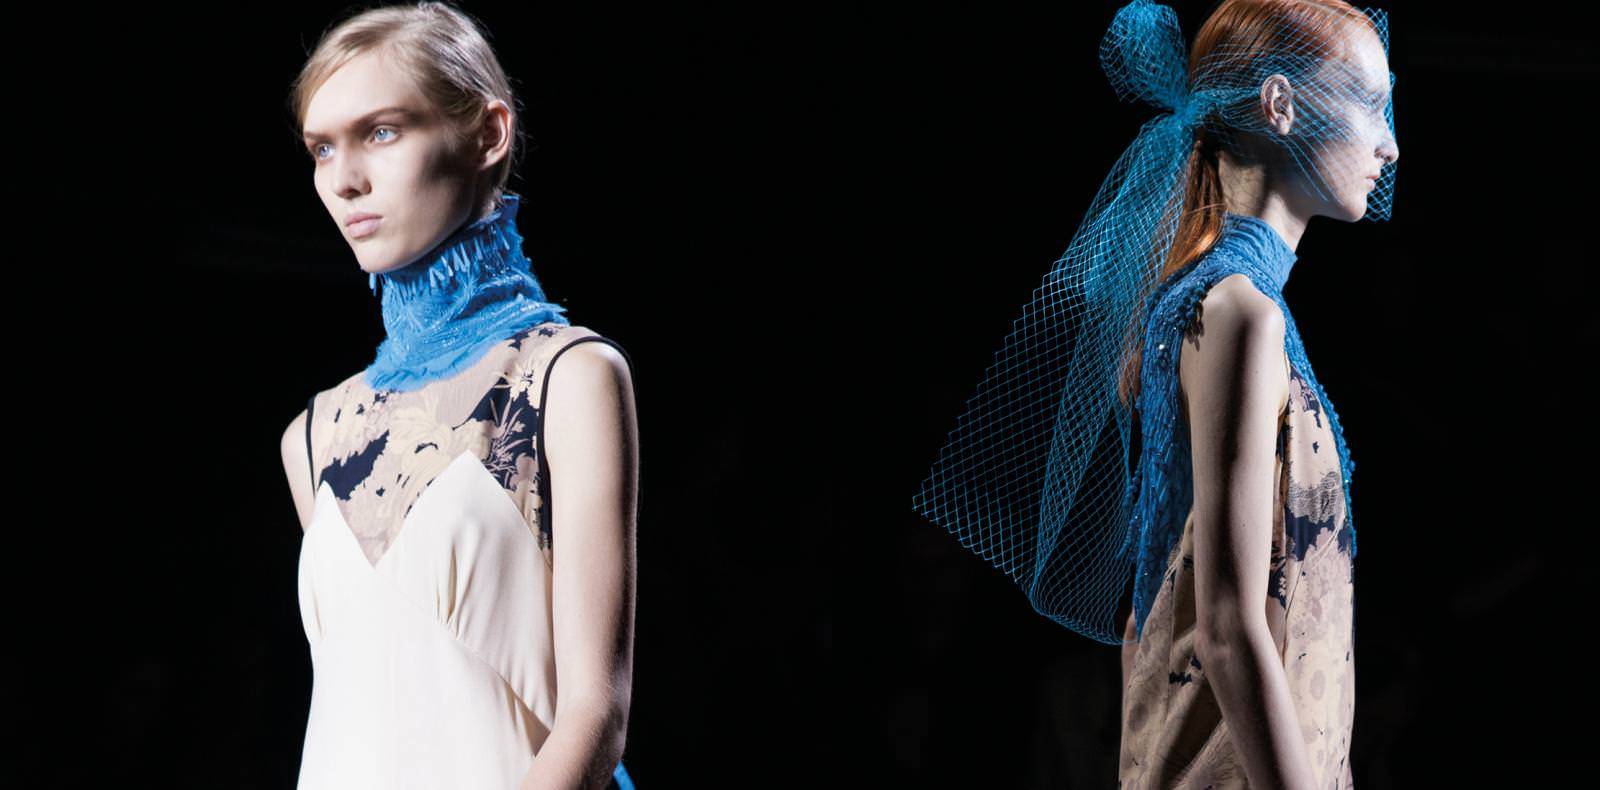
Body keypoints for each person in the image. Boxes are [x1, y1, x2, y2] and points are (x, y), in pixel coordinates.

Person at [911, 1, 1398, 787]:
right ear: (1280, 104)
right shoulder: (1237, 313)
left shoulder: (1215, 304)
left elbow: (1154, 606)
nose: (1389, 143)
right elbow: (1227, 626)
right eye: (1370, 103)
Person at [276, 4, 638, 788]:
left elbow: (594, 714)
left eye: (381, 132)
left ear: (488, 135)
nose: (344, 179)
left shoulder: (565, 377)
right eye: (321, 148)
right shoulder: (315, 434)